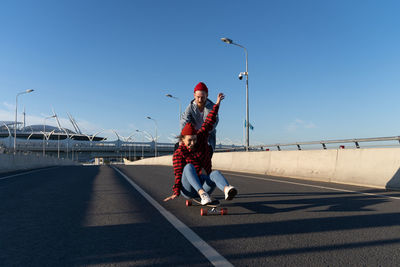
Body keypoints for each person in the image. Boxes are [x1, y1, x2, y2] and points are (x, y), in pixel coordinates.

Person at [164, 93, 237, 205]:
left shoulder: (200, 138)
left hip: (204, 183)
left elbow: (208, 122)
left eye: (194, 139)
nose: (193, 143)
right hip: (188, 189)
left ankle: (227, 189)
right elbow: (178, 173)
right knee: (188, 167)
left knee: (214, 173)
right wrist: (176, 192)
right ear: (182, 139)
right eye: (189, 140)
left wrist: (217, 104)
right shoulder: (179, 153)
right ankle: (202, 194)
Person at [178, 82, 218, 157]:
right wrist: (183, 137)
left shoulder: (212, 107)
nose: (200, 100)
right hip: (193, 136)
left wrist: (202, 134)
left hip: (207, 136)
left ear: (207, 95)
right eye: (198, 97)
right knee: (178, 148)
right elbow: (184, 121)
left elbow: (214, 121)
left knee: (207, 154)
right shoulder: (190, 107)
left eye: (202, 97)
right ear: (194, 95)